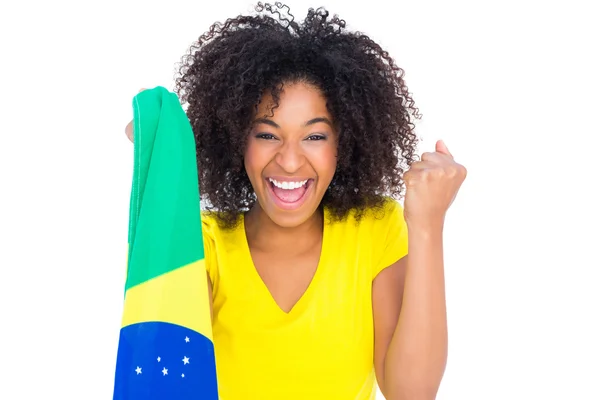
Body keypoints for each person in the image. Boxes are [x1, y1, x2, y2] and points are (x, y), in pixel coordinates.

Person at [125, 3, 466, 399]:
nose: (289, 161)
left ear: (345, 142)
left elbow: (411, 393)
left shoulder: (375, 230)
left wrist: (427, 224)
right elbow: (165, 376)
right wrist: (163, 164)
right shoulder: (204, 245)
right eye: (267, 135)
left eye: (315, 136)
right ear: (237, 138)